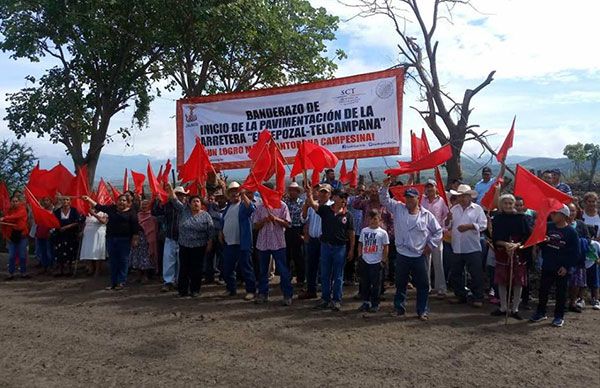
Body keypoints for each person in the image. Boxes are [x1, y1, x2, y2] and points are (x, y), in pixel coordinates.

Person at [380, 183, 443, 320]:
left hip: (419, 255)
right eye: (407, 198)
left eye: (411, 198)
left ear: (418, 198)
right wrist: (385, 186)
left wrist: (430, 246)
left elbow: (438, 231)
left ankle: (422, 311)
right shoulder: (398, 208)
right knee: (400, 284)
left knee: (423, 285)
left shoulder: (426, 215)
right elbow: (384, 199)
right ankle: (399, 308)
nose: (408, 200)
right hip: (402, 254)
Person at [530, 205, 579, 327]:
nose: (552, 215)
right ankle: (541, 312)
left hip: (561, 268)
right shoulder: (549, 226)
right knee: (543, 290)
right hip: (548, 264)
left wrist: (566, 267)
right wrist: (543, 241)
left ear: (563, 216)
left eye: (555, 213)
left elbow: (575, 252)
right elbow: (540, 242)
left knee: (561, 292)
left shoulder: (571, 232)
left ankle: (559, 316)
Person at [306, 188, 354, 311]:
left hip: (340, 248)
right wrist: (309, 193)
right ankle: (325, 299)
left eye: (344, 197)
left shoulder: (348, 215)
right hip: (326, 246)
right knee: (325, 274)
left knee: (338, 275)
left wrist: (351, 249)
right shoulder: (325, 210)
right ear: (334, 197)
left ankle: (336, 300)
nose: (343, 199)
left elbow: (351, 233)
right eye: (341, 196)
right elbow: (312, 204)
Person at [83, 194, 139, 290]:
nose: (121, 202)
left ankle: (121, 282)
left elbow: (135, 227)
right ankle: (113, 282)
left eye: (124, 200)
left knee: (123, 261)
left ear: (127, 202)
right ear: (116, 201)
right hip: (111, 239)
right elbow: (98, 206)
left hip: (124, 240)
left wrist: (135, 239)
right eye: (120, 200)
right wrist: (88, 199)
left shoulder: (131, 212)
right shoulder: (111, 209)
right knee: (112, 261)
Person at [166, 184, 214, 298]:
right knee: (184, 268)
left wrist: (210, 243)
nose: (195, 203)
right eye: (193, 201)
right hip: (184, 245)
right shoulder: (184, 211)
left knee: (196, 269)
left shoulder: (206, 216)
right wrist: (170, 189)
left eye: (198, 201)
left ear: (201, 204)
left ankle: (195, 290)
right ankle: (182, 291)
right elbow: (174, 200)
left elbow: (211, 231)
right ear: (189, 203)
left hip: (199, 246)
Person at [489, 194, 532, 320]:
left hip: (518, 253)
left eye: (510, 203)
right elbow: (495, 238)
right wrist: (505, 244)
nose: (508, 205)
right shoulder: (497, 218)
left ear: (514, 204)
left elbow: (527, 236)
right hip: (502, 252)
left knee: (517, 281)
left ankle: (515, 309)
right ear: (501, 205)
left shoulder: (521, 218)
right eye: (505, 203)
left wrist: (516, 245)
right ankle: (503, 307)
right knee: (502, 280)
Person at [446, 184, 488, 307]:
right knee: (456, 273)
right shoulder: (453, 209)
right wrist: (448, 220)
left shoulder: (477, 209)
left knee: (475, 273)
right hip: (457, 246)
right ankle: (460, 295)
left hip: (472, 246)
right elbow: (448, 226)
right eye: (460, 196)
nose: (463, 198)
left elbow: (483, 225)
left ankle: (478, 297)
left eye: (465, 196)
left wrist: (469, 226)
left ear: (470, 197)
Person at [253, 189, 293, 305]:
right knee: (262, 271)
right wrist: (264, 221)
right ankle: (263, 293)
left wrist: (276, 219)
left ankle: (287, 295)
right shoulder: (260, 207)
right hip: (263, 243)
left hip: (278, 243)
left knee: (283, 270)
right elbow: (255, 226)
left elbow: (288, 224)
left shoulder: (282, 205)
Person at [220, 181, 257, 300]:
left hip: (243, 243)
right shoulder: (227, 208)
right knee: (227, 268)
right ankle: (231, 289)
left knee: (246, 268)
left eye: (236, 191)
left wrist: (244, 195)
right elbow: (223, 222)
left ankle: (251, 290)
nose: (234, 194)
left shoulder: (243, 205)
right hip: (229, 243)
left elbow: (251, 208)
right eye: (232, 192)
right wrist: (221, 232)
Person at [298, 184, 333, 300]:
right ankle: (311, 290)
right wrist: (306, 207)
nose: (323, 194)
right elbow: (303, 219)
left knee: (325, 267)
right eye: (321, 191)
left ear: (330, 194)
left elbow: (317, 208)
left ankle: (326, 292)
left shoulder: (331, 206)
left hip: (325, 241)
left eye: (325, 192)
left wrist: (310, 197)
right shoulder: (313, 205)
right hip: (312, 240)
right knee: (311, 267)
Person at [152, 186, 186, 292]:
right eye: (178, 194)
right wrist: (157, 200)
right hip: (170, 236)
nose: (181, 197)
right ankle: (168, 281)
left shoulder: (186, 206)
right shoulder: (167, 206)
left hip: (183, 238)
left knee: (181, 261)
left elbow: (178, 206)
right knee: (168, 260)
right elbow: (157, 214)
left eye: (182, 195)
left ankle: (178, 280)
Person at [357, 209, 389, 313]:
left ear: (379, 220)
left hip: (376, 261)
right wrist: (360, 256)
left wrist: (383, 260)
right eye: (371, 218)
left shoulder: (383, 233)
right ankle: (366, 302)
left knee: (376, 284)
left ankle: (375, 303)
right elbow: (360, 244)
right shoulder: (364, 231)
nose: (373, 221)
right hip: (365, 260)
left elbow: (385, 247)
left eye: (375, 219)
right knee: (365, 283)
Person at [421, 179, 449, 297]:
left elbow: (446, 216)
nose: (429, 189)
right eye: (427, 187)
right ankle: (426, 287)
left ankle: (441, 288)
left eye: (431, 187)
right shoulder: (422, 200)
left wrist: (444, 226)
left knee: (438, 262)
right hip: (424, 235)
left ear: (436, 188)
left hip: (437, 235)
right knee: (426, 263)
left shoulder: (441, 201)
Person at [565, 202, 592, 313]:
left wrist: (580, 242)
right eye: (569, 210)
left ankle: (573, 302)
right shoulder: (561, 224)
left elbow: (588, 239)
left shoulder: (581, 224)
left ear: (577, 212)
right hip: (564, 258)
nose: (571, 213)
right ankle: (562, 302)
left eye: (573, 210)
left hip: (578, 258)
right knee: (564, 282)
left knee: (576, 282)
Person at [52, 196, 82, 276]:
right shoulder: (57, 211)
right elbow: (53, 221)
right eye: (63, 199)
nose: (65, 201)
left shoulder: (74, 211)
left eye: (67, 199)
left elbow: (77, 221)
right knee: (60, 251)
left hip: (71, 234)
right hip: (60, 235)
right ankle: (61, 270)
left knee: (70, 251)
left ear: (70, 201)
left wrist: (67, 227)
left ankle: (69, 269)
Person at [130, 199, 159, 283]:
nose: (144, 206)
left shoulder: (152, 217)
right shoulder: (137, 215)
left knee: (146, 258)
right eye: (143, 204)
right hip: (138, 239)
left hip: (148, 240)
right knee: (137, 257)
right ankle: (138, 275)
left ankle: (145, 276)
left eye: (146, 204)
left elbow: (154, 230)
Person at [1, 194, 29, 279]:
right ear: (10, 202)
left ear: (19, 202)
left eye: (16, 201)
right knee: (11, 256)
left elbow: (17, 216)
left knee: (22, 256)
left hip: (22, 236)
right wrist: (6, 236)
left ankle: (23, 273)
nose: (15, 203)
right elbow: (4, 227)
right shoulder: (8, 211)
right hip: (11, 237)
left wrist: (5, 218)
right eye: (13, 201)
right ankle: (11, 273)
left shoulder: (22, 209)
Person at [284, 182, 305, 287]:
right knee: (286, 254)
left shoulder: (302, 203)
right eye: (291, 190)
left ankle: (300, 277)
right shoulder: (285, 202)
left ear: (298, 192)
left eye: (294, 190)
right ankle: (287, 276)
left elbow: (304, 219)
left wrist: (303, 233)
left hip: (297, 229)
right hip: (287, 230)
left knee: (298, 255)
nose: (292, 192)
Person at [581, 192, 600, 310]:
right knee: (582, 272)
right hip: (583, 248)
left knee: (595, 273)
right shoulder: (580, 215)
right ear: (585, 202)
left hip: (597, 249)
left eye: (594, 201)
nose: (592, 204)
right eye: (589, 201)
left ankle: (596, 298)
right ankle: (581, 298)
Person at [79, 207, 108, 276]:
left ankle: (98, 270)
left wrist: (94, 214)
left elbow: (104, 221)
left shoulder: (103, 213)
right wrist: (82, 231)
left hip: (98, 235)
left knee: (97, 253)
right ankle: (91, 268)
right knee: (88, 251)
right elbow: (85, 223)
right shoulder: (87, 213)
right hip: (88, 235)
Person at [345, 184, 365, 285]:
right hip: (352, 233)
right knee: (351, 255)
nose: (361, 192)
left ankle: (360, 276)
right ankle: (350, 277)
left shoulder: (367, 202)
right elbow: (346, 202)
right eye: (359, 190)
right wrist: (347, 192)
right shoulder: (352, 199)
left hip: (362, 233)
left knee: (361, 256)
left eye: (363, 190)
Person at [34, 197, 55, 273]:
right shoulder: (41, 211)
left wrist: (51, 231)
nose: (46, 202)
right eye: (44, 200)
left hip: (48, 234)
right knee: (42, 251)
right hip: (40, 233)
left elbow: (54, 223)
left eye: (47, 200)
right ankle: (44, 267)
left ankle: (51, 266)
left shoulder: (54, 211)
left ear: (50, 201)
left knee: (49, 251)